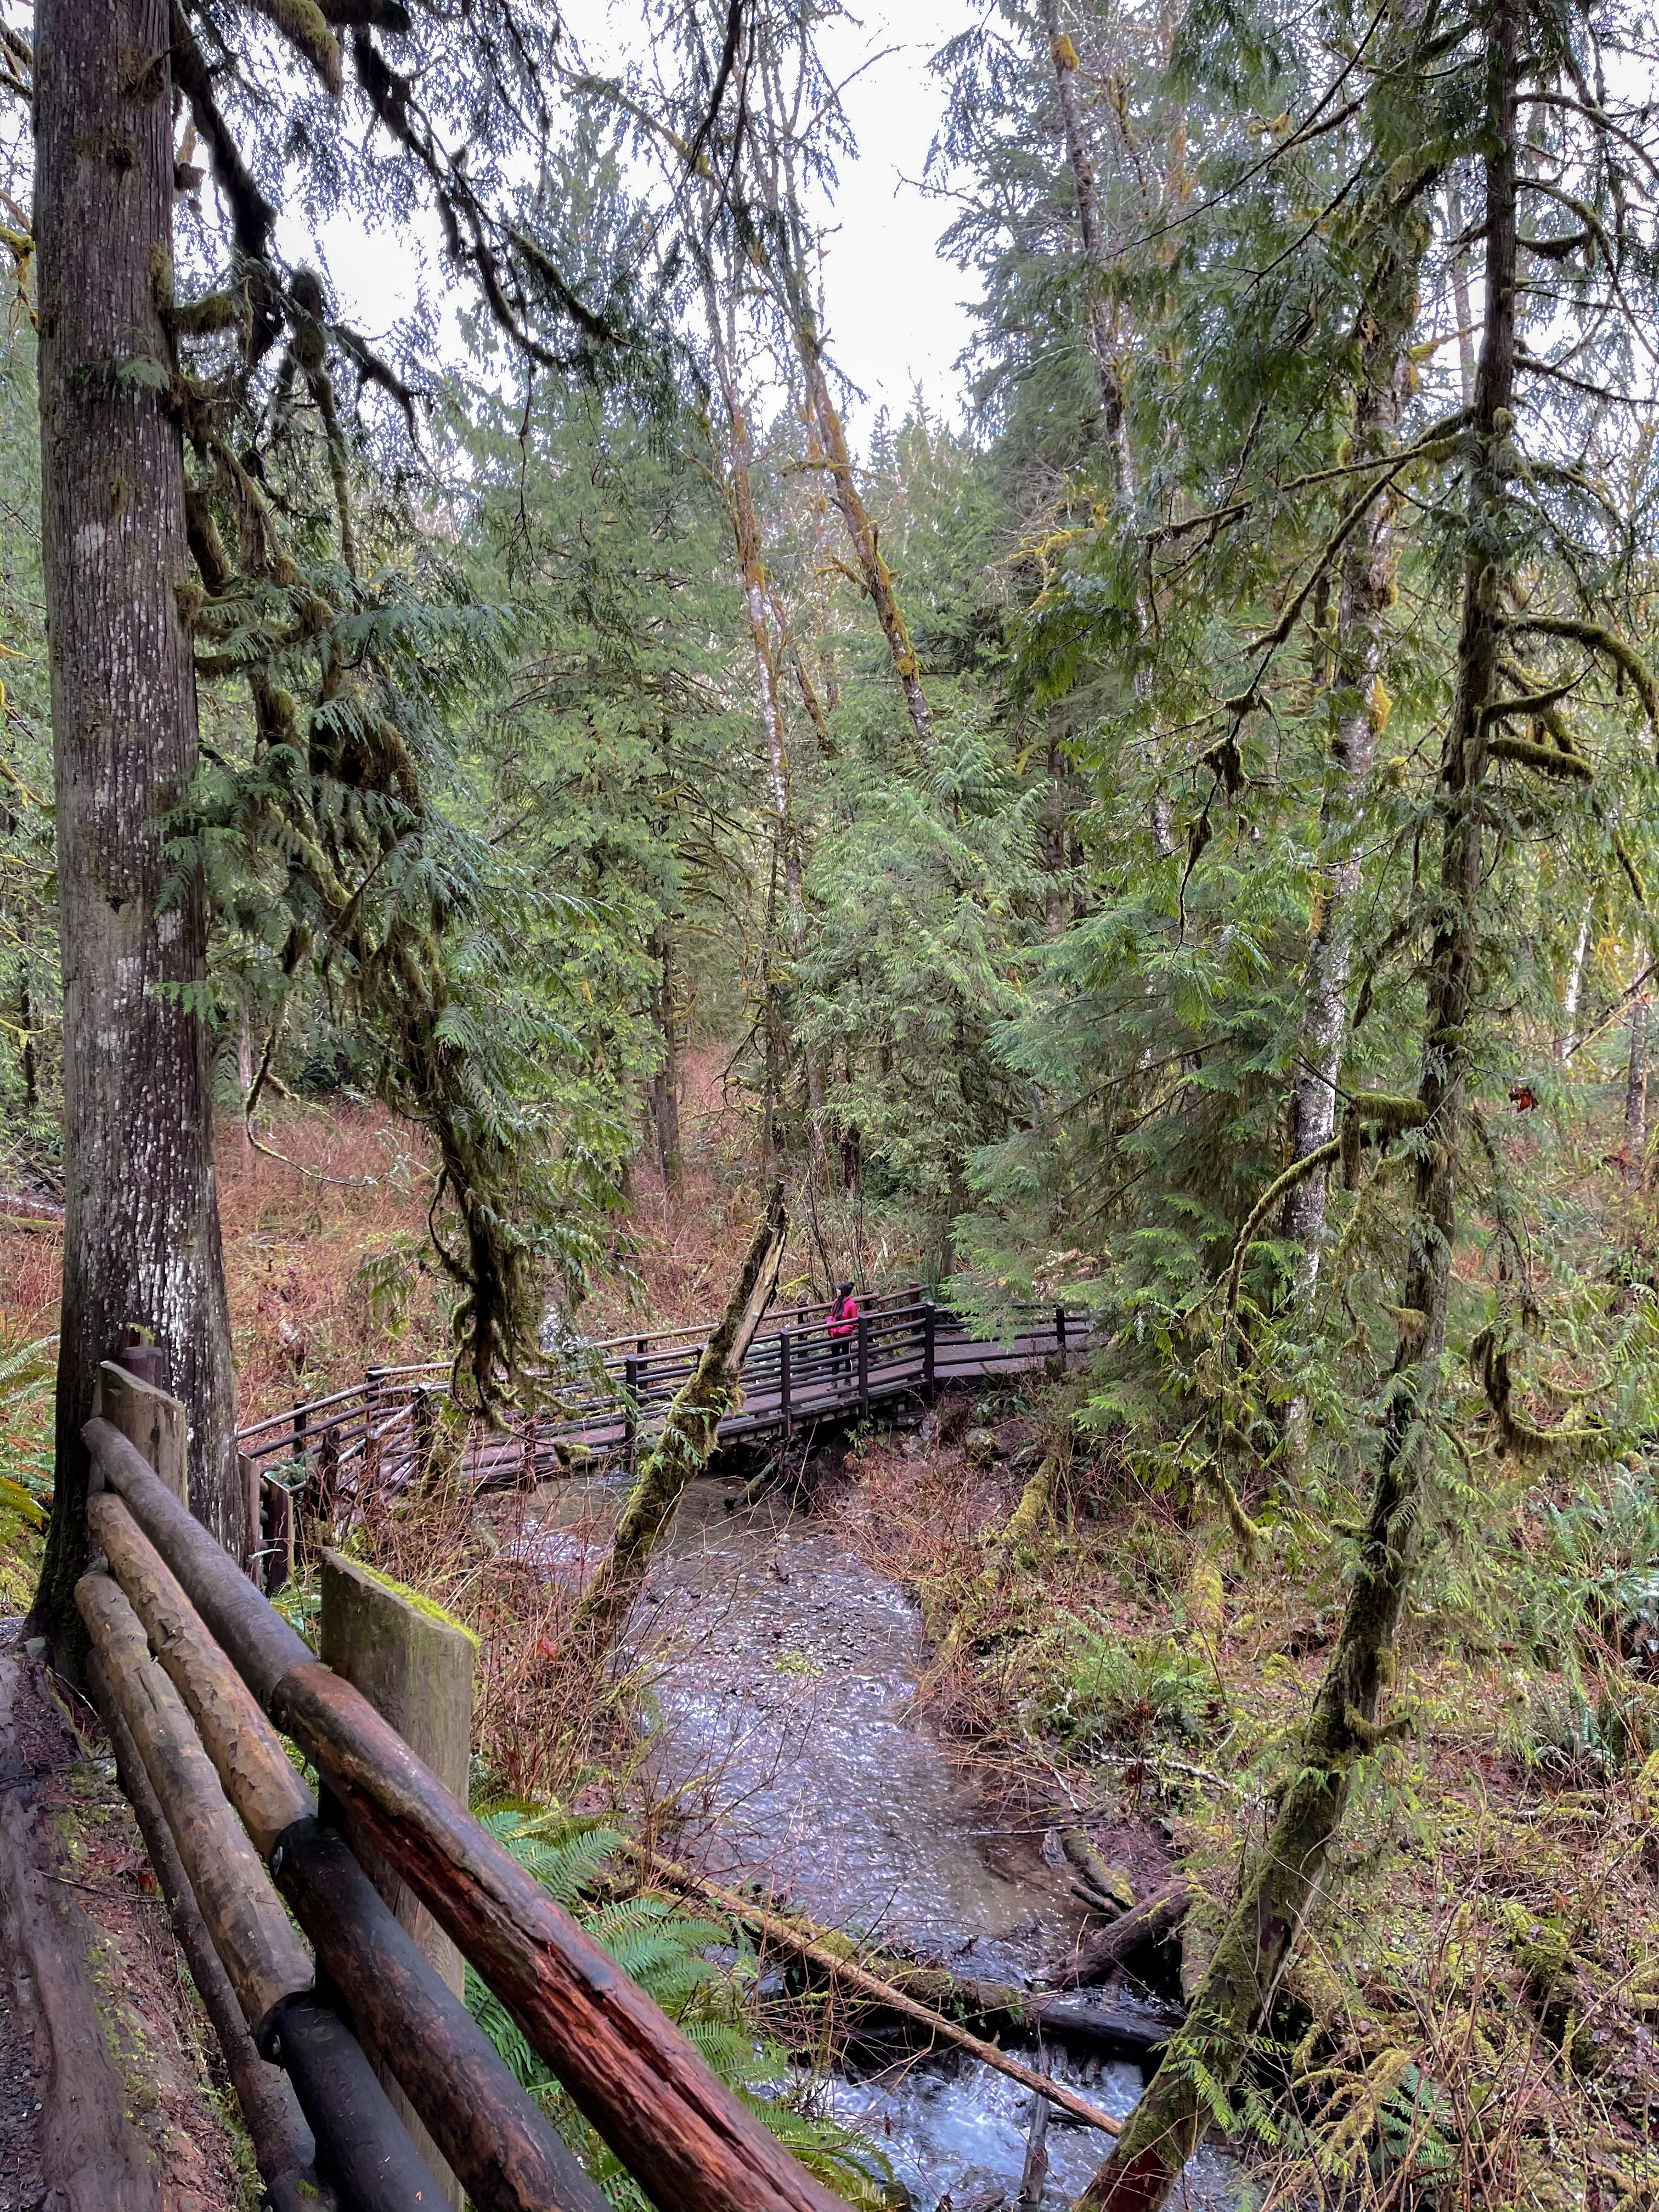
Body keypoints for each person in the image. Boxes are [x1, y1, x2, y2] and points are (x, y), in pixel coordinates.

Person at [827, 1280, 859, 1386]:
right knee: (835, 1358)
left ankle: (848, 1380)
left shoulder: (851, 1305)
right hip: (835, 1334)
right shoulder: (837, 1302)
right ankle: (834, 1381)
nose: (837, 1291)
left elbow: (854, 1323)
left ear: (844, 1292)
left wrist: (841, 1330)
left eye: (839, 1290)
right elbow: (832, 1316)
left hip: (846, 1336)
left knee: (847, 1357)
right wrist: (831, 1327)